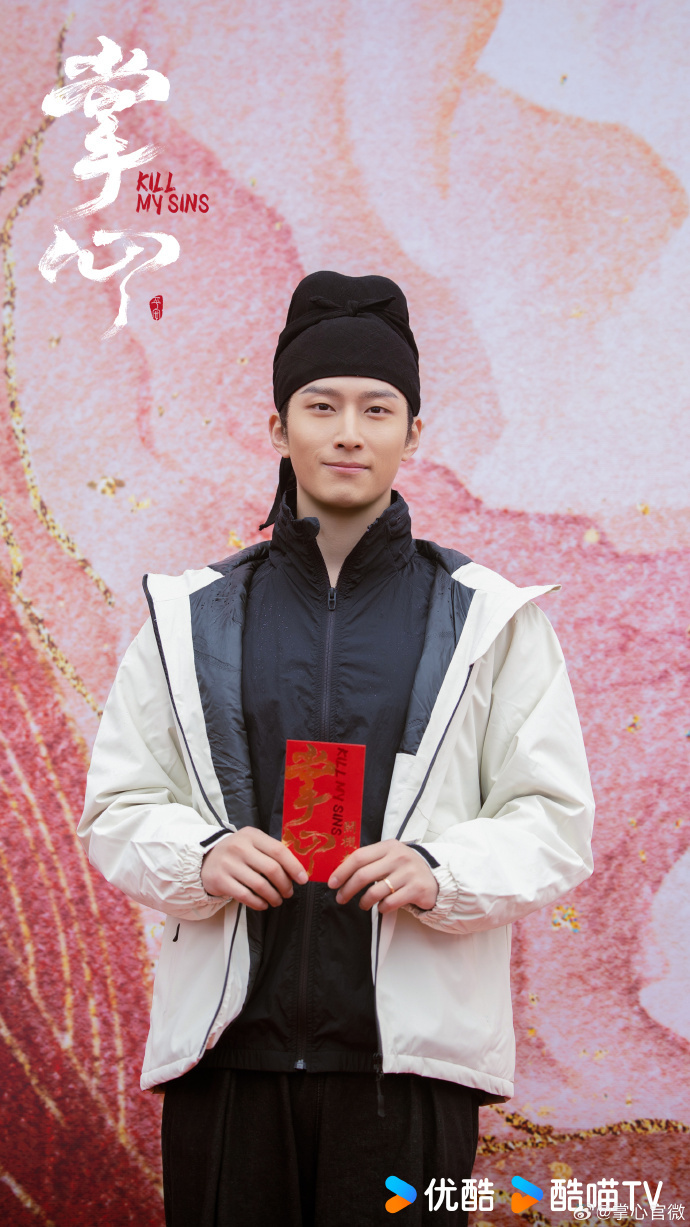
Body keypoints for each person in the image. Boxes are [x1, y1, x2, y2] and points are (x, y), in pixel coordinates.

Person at [78, 271, 595, 1227]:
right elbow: (117, 807)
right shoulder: (189, 616)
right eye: (321, 406)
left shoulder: (490, 619)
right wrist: (200, 855)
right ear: (279, 427)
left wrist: (441, 869)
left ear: (413, 434)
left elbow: (553, 820)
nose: (348, 431)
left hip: (409, 1073)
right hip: (227, 1059)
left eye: (377, 408)